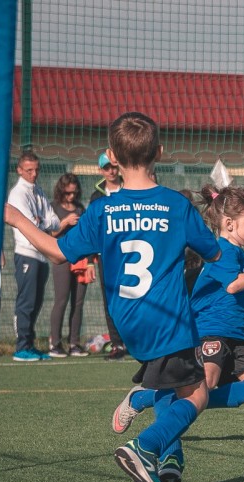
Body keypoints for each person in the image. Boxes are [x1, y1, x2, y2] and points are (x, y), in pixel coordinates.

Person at [3, 112, 221, 482]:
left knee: (169, 386)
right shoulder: (175, 204)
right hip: (167, 319)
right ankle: (144, 448)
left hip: (127, 323)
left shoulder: (102, 210)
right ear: (160, 152)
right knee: (197, 394)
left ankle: (169, 459)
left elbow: (56, 252)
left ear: (112, 158)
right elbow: (213, 252)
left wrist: (18, 219)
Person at [112, 184, 244, 482]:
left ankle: (152, 397)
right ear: (229, 224)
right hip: (209, 332)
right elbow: (232, 286)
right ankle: (150, 410)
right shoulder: (223, 250)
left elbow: (231, 282)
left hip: (236, 337)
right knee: (207, 384)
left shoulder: (235, 253)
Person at [7, 150, 78, 362]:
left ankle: (29, 344)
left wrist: (41, 222)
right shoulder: (18, 194)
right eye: (29, 170)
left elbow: (52, 221)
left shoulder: (37, 190)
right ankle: (21, 347)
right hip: (26, 253)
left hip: (41, 254)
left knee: (36, 303)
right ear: (20, 170)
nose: (34, 174)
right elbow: (29, 224)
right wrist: (40, 222)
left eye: (36, 169)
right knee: (26, 302)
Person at [90, 152, 129, 361]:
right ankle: (117, 344)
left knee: (132, 296)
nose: (111, 171)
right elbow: (92, 229)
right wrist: (90, 261)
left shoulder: (130, 188)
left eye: (113, 167)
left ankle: (134, 340)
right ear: (100, 170)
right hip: (106, 255)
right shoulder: (96, 197)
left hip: (130, 251)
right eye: (106, 168)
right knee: (110, 300)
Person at [47, 173, 90, 358]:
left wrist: (89, 262)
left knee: (78, 302)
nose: (71, 196)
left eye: (74, 193)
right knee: (61, 300)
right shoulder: (53, 207)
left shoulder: (80, 208)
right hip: (61, 258)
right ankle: (55, 343)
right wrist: (65, 222)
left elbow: (88, 234)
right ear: (61, 191)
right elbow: (49, 235)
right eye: (67, 193)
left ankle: (74, 343)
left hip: (79, 260)